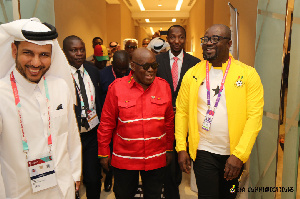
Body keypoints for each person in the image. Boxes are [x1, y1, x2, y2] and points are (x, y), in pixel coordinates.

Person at [175, 24, 264, 198]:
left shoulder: (248, 74)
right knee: (207, 195)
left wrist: (239, 155)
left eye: (215, 39)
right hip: (203, 152)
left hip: (234, 154)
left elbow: (254, 117)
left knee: (230, 194)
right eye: (206, 39)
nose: (208, 43)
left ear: (229, 43)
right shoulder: (192, 74)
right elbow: (182, 112)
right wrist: (181, 147)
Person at [0, 18, 82, 198]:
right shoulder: (1, 93)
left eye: (44, 55)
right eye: (28, 53)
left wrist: (75, 173)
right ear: (14, 51)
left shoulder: (60, 86)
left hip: (61, 188)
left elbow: (71, 133)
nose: (36, 63)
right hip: (20, 191)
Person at [97, 48, 174, 199]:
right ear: (132, 66)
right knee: (123, 194)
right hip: (125, 158)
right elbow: (106, 123)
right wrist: (104, 152)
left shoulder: (163, 86)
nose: (150, 70)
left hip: (155, 157)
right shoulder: (117, 88)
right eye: (145, 66)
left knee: (154, 195)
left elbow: (169, 122)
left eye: (154, 66)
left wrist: (169, 149)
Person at [156, 24, 200, 199]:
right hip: (161, 121)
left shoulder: (195, 63)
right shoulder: (157, 61)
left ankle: (172, 190)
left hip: (185, 121)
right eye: (173, 37)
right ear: (167, 39)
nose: (176, 41)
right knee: (165, 162)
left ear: (185, 39)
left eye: (181, 37)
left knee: (178, 161)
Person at [63, 35, 102, 199]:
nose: (79, 54)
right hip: (70, 137)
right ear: (65, 52)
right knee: (71, 179)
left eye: (81, 50)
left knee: (93, 178)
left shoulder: (92, 70)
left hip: (92, 133)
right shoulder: (60, 76)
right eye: (74, 50)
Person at [98, 50, 130, 192]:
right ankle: (109, 176)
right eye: (119, 68)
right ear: (112, 64)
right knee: (108, 151)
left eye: (125, 68)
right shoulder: (103, 74)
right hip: (109, 119)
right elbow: (99, 97)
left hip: (126, 120)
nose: (123, 72)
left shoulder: (132, 73)